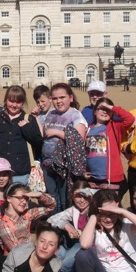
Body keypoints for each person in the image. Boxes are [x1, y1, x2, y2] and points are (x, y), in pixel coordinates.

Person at [41, 83, 88, 214]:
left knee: (64, 198)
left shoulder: (76, 116)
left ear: (70, 98)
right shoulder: (51, 114)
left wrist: (57, 132)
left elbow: (78, 139)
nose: (59, 101)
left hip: (65, 166)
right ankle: (53, 222)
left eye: (62, 97)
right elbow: (44, 134)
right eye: (55, 98)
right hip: (48, 164)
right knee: (51, 197)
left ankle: (64, 224)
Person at [0, 85, 43, 185]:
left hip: (20, 172)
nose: (14, 105)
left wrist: (26, 128)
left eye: (18, 102)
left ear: (23, 103)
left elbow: (38, 143)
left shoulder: (29, 119)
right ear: (6, 100)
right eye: (11, 101)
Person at [84, 97, 134, 196]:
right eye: (101, 108)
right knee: (95, 203)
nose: (104, 111)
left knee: (110, 203)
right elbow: (85, 152)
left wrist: (111, 107)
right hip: (93, 177)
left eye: (107, 109)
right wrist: (84, 171)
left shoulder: (115, 126)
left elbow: (130, 118)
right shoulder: (88, 130)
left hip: (111, 178)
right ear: (95, 111)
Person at [48, 181, 94, 272]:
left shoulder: (94, 210)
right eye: (78, 196)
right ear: (72, 196)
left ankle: (90, 267)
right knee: (58, 253)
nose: (82, 200)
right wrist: (65, 225)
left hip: (91, 246)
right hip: (77, 243)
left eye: (85, 196)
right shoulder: (74, 210)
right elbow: (50, 220)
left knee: (63, 266)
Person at [0, 183, 56, 253]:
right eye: (20, 198)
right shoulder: (5, 225)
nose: (24, 202)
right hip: (20, 258)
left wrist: (40, 195)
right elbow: (17, 252)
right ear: (9, 198)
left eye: (26, 199)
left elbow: (51, 206)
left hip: (31, 253)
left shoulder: (27, 214)